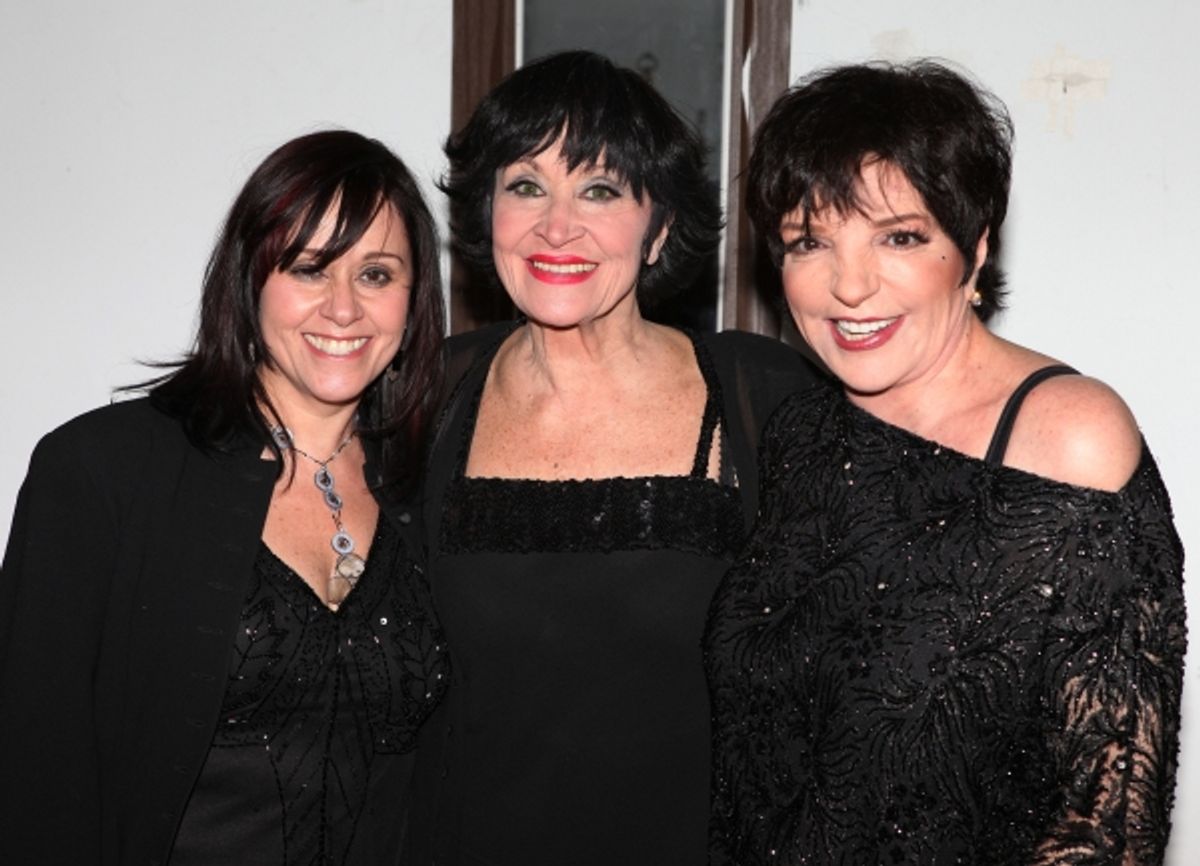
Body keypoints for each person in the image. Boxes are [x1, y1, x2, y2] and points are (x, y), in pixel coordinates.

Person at [704, 60, 1186, 865]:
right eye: (809, 241)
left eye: (899, 237)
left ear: (974, 248)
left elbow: (1107, 829)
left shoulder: (1069, 440)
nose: (849, 285)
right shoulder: (800, 432)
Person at [405, 51, 821, 866]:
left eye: (599, 189)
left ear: (659, 224)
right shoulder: (426, 396)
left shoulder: (759, 396)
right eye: (526, 186)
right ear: (486, 213)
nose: (557, 227)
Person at [0, 130, 450, 865]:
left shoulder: (431, 491)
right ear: (250, 279)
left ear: (414, 299)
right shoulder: (102, 472)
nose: (343, 309)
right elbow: (31, 768)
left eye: (375, 274)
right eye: (309, 268)